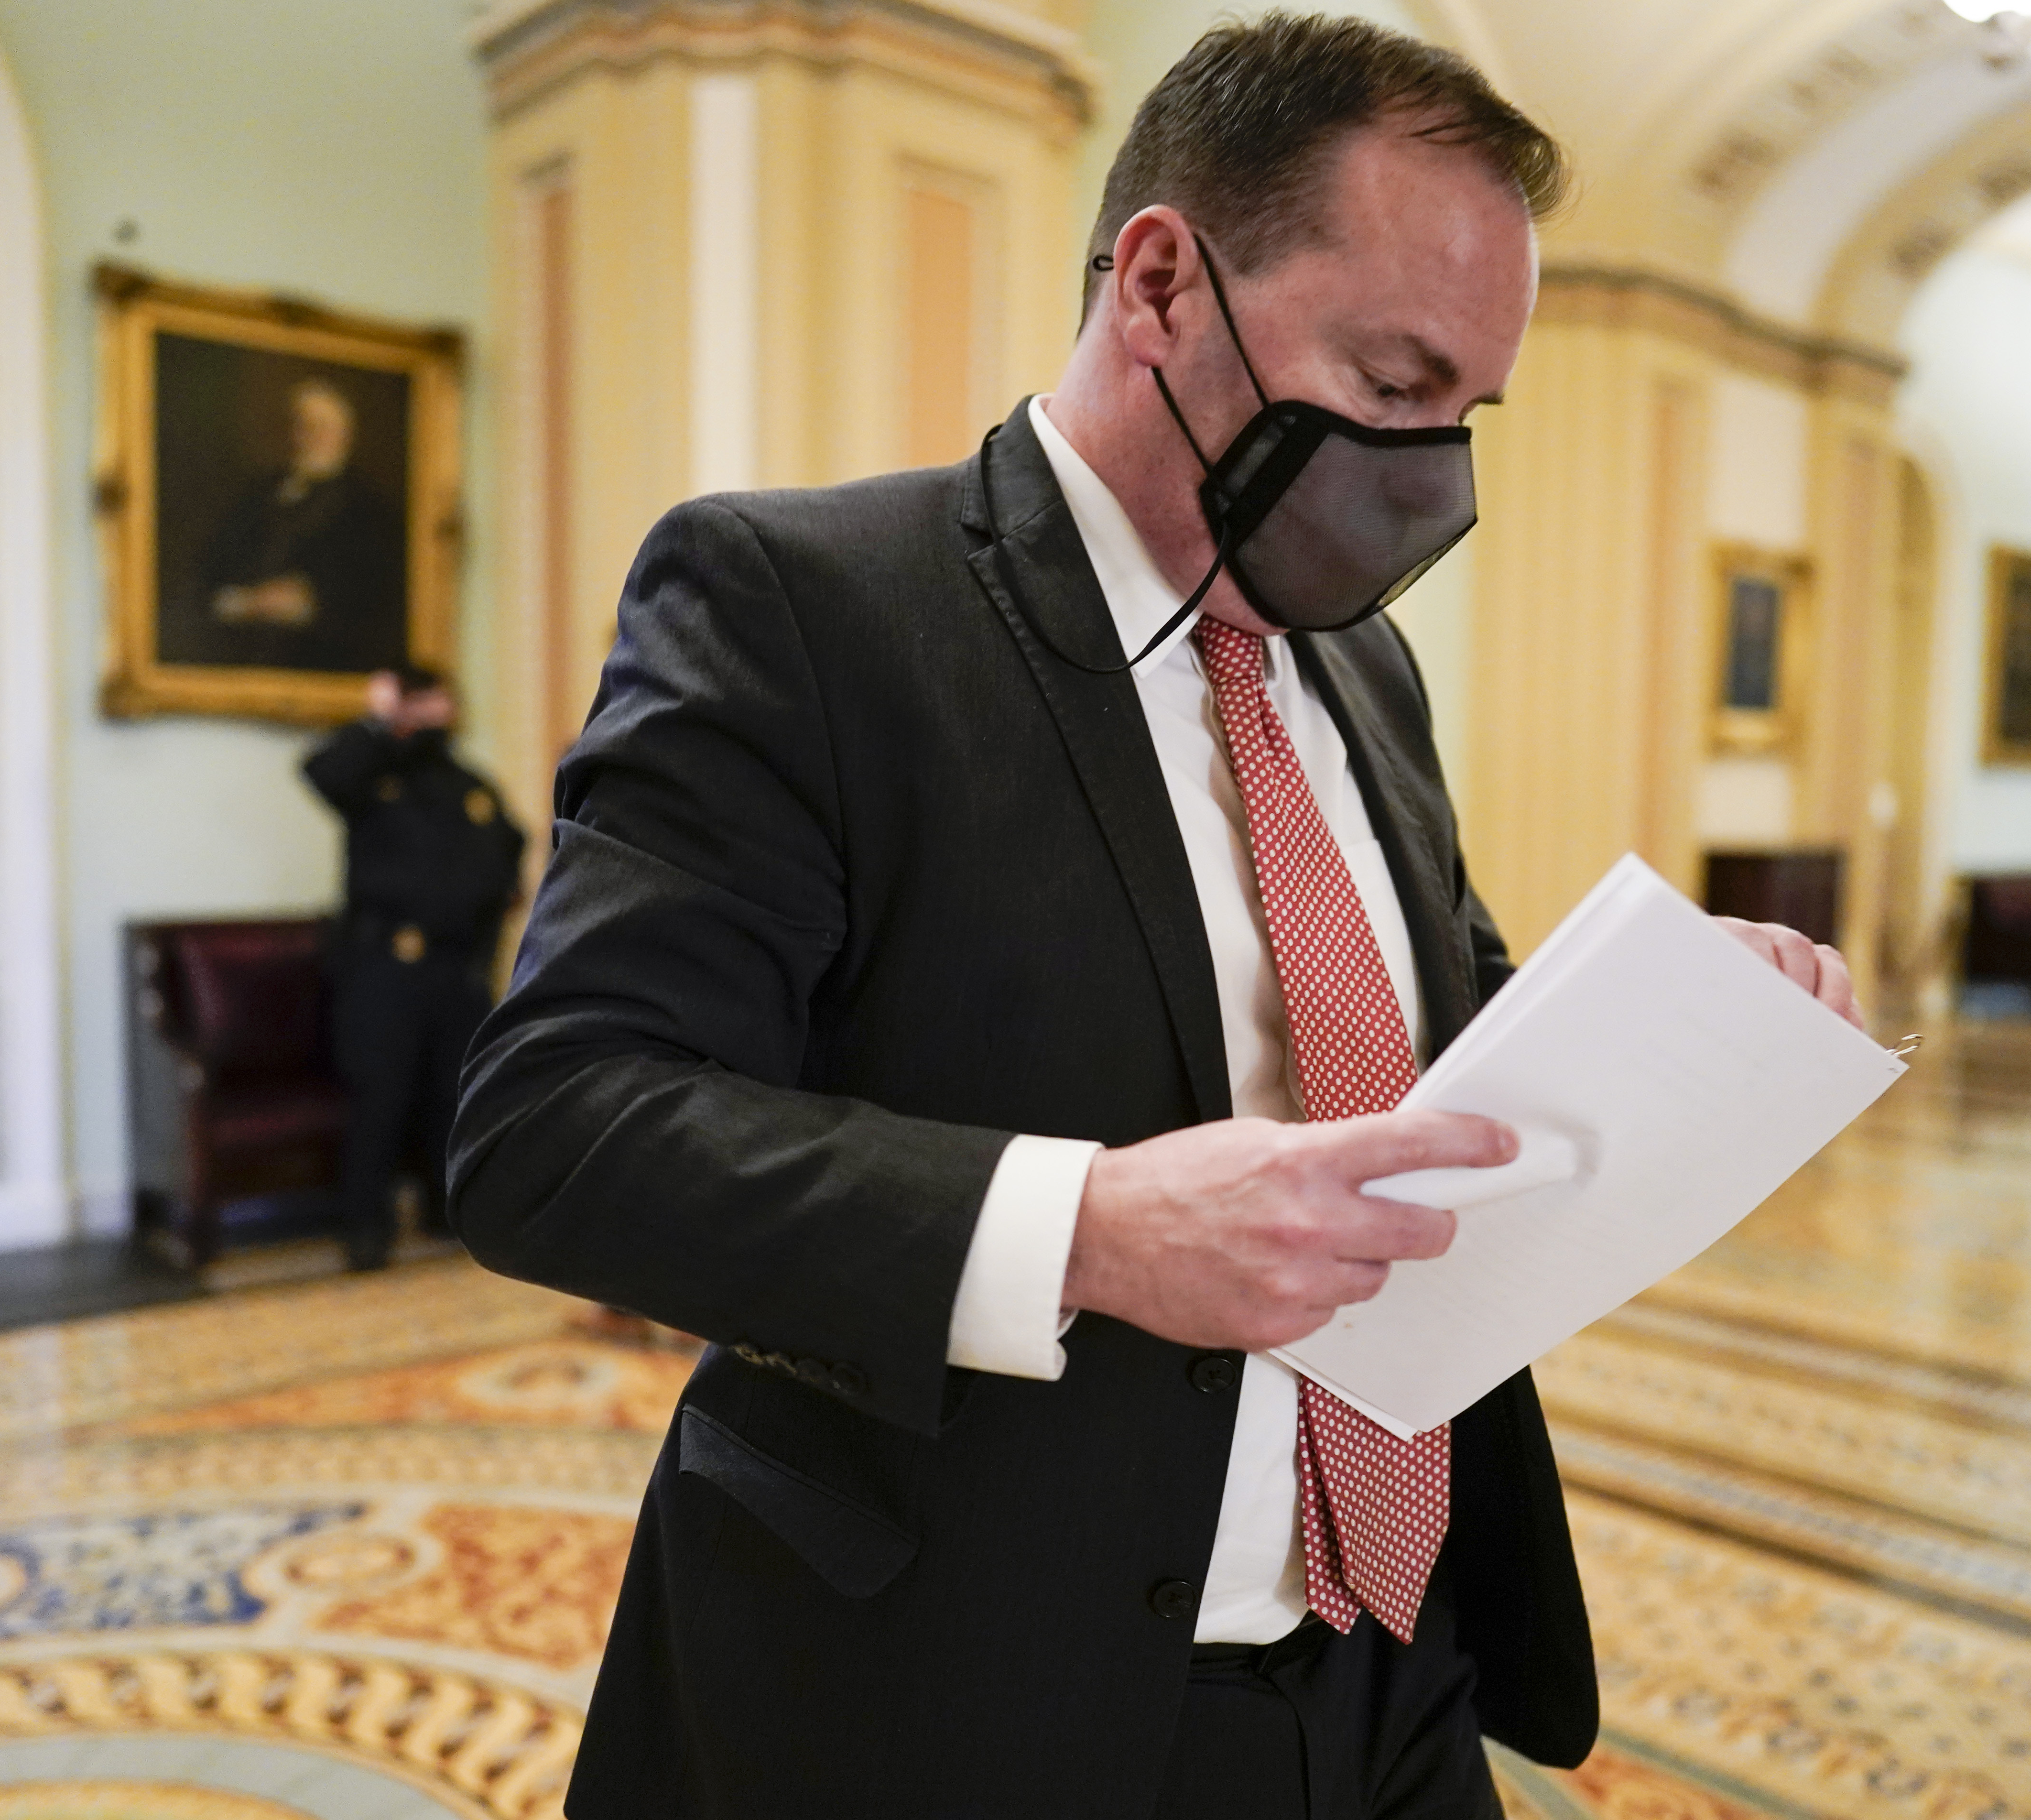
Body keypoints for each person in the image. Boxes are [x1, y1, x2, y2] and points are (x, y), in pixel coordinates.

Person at [451, 15, 1862, 1817]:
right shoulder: (804, 607)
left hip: (1383, 1671)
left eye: (1465, 412)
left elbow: (1424, 1025)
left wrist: (1676, 1010)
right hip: (956, 1695)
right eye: (1390, 376)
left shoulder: (1364, 671)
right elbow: (556, 1131)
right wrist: (1092, 1229)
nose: (1431, 469)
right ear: (1162, 283)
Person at [304, 665, 524, 1271]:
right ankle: (366, 1228)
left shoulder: (468, 785)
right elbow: (321, 772)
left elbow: (510, 849)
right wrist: (378, 724)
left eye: (441, 700)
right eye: (420, 701)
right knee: (380, 1097)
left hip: (456, 968)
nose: (436, 712)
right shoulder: (371, 776)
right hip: (386, 967)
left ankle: (447, 1214)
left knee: (456, 1096)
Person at [187, 376, 406, 674]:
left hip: (320, 663)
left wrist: (305, 606)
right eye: (301, 425)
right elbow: (208, 577)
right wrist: (247, 602)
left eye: (321, 427)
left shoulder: (370, 510)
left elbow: (376, 609)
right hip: (235, 657)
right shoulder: (255, 497)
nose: (308, 437)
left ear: (345, 435)